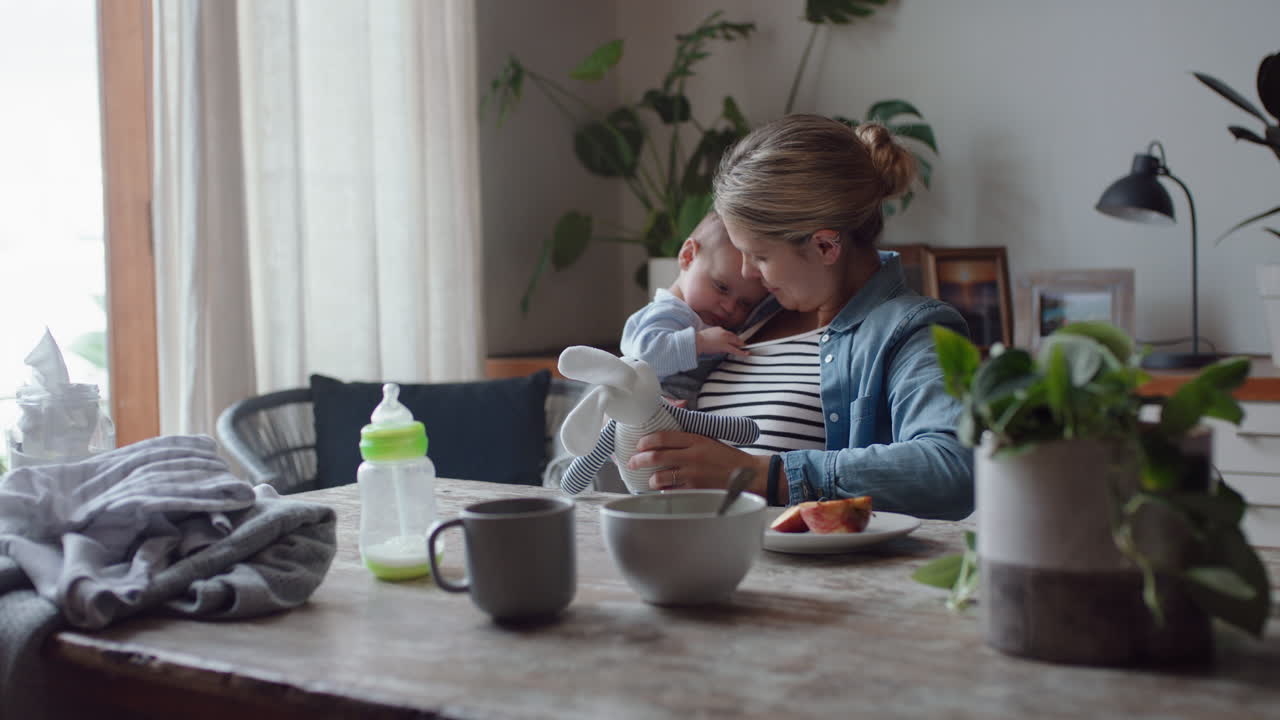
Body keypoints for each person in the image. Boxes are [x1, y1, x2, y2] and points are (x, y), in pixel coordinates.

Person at [626, 114, 974, 520]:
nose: (746, 274)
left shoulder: (911, 330)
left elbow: (951, 470)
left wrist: (764, 475)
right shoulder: (746, 317)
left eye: (759, 256)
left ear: (825, 247)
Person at [620, 211, 769, 405]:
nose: (729, 307)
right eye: (721, 287)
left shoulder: (699, 316)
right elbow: (645, 356)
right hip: (645, 407)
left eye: (744, 303)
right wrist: (700, 342)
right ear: (688, 256)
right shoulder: (671, 312)